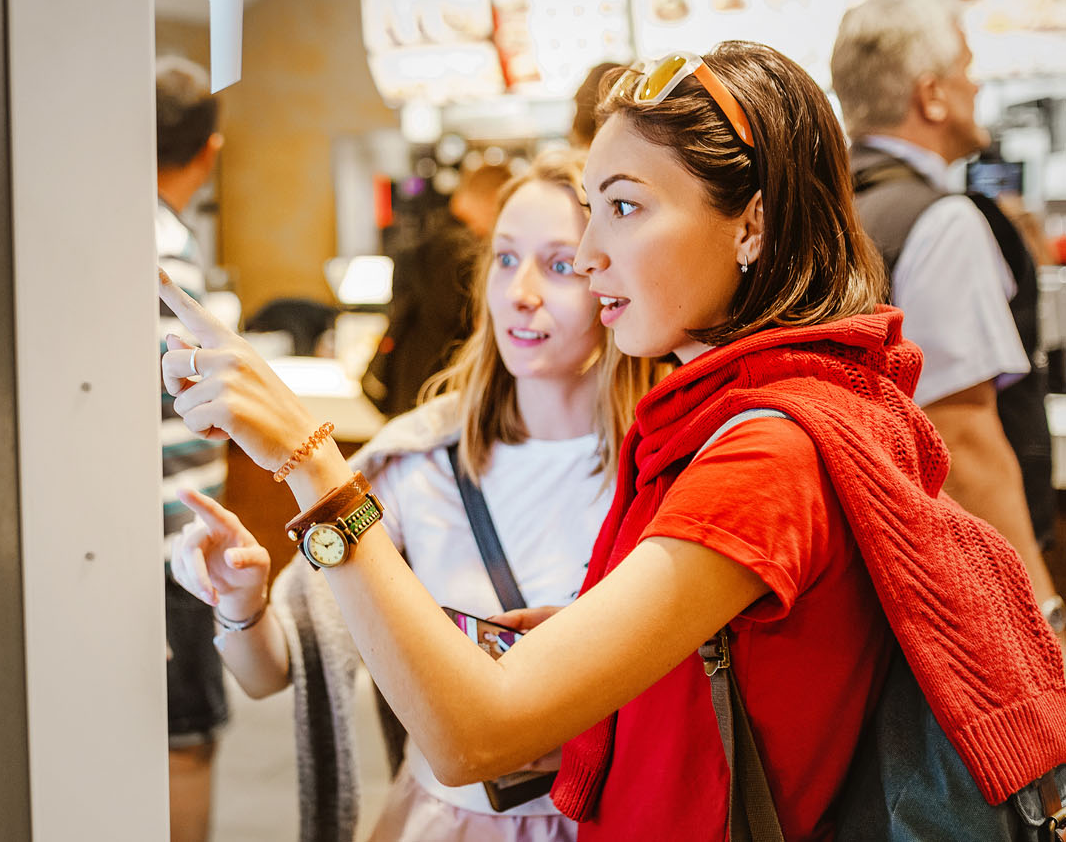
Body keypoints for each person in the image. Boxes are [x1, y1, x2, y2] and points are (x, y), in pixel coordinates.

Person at [159, 42, 1066, 840]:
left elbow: (475, 732)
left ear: (750, 222)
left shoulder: (764, 453)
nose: (589, 252)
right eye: (587, 210)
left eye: (624, 209)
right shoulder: (771, 407)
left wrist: (309, 465)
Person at [171, 150, 660, 842]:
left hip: (616, 820)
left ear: (610, 283)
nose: (521, 292)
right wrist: (240, 602)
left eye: (559, 266)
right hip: (448, 822)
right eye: (505, 258)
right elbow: (280, 667)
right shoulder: (420, 460)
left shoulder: (666, 464)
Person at [831, 0, 1064, 641]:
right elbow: (961, 433)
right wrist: (1041, 611)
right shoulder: (942, 221)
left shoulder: (826, 210)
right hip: (960, 586)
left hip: (870, 572)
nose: (977, 82)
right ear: (930, 94)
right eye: (967, 65)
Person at [155, 56, 228, 842]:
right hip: (173, 532)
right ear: (208, 150)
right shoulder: (168, 252)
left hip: (132, 532)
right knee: (186, 740)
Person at [364, 161, 510, 417]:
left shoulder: (425, 238)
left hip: (406, 390)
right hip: (439, 397)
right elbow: (480, 326)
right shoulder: (467, 254)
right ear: (494, 200)